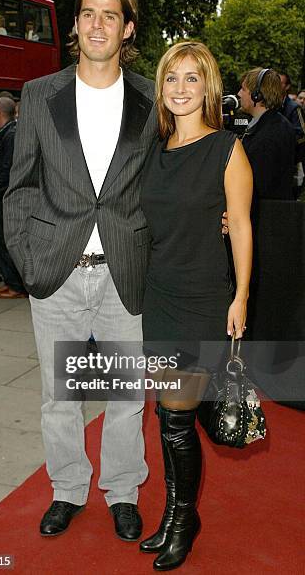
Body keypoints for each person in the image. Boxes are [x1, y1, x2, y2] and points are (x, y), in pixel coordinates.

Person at [3, 0, 157, 541]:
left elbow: (162, 184)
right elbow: (17, 186)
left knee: (125, 395)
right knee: (59, 395)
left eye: (109, 16)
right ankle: (67, 488)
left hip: (123, 271)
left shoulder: (148, 96)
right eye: (87, 14)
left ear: (127, 28)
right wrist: (29, 258)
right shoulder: (40, 94)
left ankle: (121, 491)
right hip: (59, 272)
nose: (97, 24)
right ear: (75, 26)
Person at [139, 41, 253, 571]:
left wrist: (241, 296)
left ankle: (184, 517)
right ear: (160, 88)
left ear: (207, 87)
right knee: (168, 416)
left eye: (192, 78)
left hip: (203, 296)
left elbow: (242, 226)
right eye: (171, 79)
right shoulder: (153, 150)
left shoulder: (228, 149)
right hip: (159, 294)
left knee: (178, 415)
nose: (181, 89)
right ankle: (175, 513)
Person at [238, 68, 296, 199]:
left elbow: (257, 187)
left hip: (265, 215)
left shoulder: (268, 135)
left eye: (243, 89)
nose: (239, 94)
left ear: (256, 95)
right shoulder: (276, 123)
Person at [0, 97, 27, 299]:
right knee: (0, 240)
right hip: (5, 193)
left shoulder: (10, 135)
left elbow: (8, 169)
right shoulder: (6, 133)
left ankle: (16, 285)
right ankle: (10, 281)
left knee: (5, 240)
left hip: (6, 195)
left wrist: (2, 190)